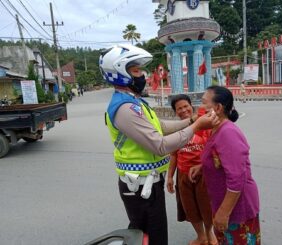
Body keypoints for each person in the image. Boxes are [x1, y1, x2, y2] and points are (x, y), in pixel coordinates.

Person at [99, 44, 219, 245]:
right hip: (139, 185)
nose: (142, 75)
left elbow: (161, 126)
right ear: (119, 73)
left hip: (146, 182)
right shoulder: (125, 108)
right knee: (151, 237)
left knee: (146, 234)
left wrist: (190, 121)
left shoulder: (134, 101)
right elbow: (160, 145)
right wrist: (197, 126)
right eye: (136, 71)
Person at [189, 85, 260, 245]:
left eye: (203, 102)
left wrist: (223, 213)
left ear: (218, 108)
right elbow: (219, 158)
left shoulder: (228, 133)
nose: (200, 108)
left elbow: (237, 177)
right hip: (222, 203)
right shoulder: (216, 129)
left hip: (237, 209)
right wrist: (202, 167)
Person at [167, 94, 217, 245]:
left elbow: (215, 149)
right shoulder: (176, 130)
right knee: (190, 208)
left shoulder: (204, 123)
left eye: (185, 106)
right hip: (183, 175)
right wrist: (170, 176)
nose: (183, 110)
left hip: (204, 174)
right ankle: (201, 236)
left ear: (191, 106)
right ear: (175, 112)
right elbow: (174, 155)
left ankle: (210, 235)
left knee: (207, 207)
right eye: (179, 108)